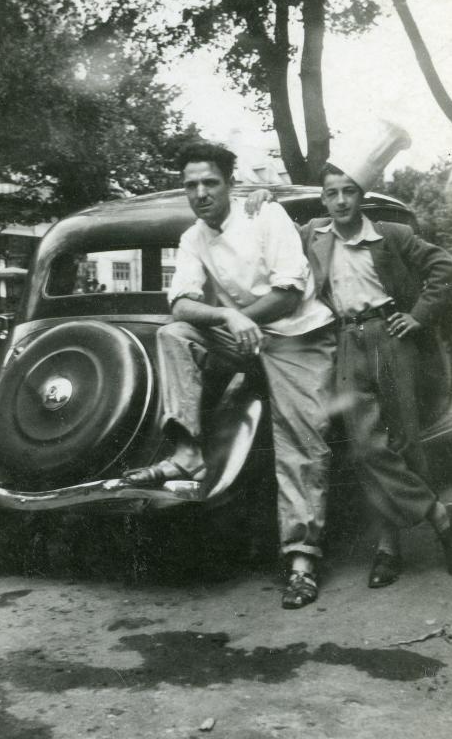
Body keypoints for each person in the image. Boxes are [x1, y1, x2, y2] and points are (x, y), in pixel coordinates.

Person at [122, 140, 337, 609]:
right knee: (175, 334)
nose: (200, 193)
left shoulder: (267, 216)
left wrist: (242, 318)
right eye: (191, 185)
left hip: (298, 337)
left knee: (301, 441)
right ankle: (188, 454)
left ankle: (301, 562)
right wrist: (228, 319)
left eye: (210, 182)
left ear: (230, 184)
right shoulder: (193, 237)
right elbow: (179, 303)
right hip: (244, 335)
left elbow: (288, 291)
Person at [299, 122, 452, 587]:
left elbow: (445, 267)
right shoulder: (313, 234)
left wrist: (418, 315)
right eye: (331, 193)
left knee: (406, 443)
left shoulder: (390, 235)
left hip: (392, 340)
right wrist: (256, 205)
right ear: (324, 199)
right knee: (367, 448)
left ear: (361, 196)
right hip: (345, 344)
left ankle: (390, 549)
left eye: (349, 192)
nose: (340, 201)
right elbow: (268, 241)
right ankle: (440, 516)